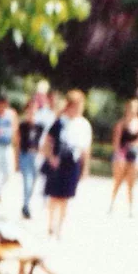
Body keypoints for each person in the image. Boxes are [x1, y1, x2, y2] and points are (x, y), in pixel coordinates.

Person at [42, 89, 93, 239]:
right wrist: (51, 157)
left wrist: (85, 168)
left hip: (72, 163)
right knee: (54, 195)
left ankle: (60, 227)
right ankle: (51, 223)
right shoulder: (60, 122)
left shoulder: (84, 125)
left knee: (65, 197)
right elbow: (47, 142)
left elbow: (85, 149)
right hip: (58, 162)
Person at [17, 98, 44, 218]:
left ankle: (27, 203)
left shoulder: (40, 126)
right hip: (25, 155)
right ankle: (26, 206)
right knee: (27, 182)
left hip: (36, 156)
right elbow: (18, 143)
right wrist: (16, 160)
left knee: (33, 182)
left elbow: (43, 142)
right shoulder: (23, 125)